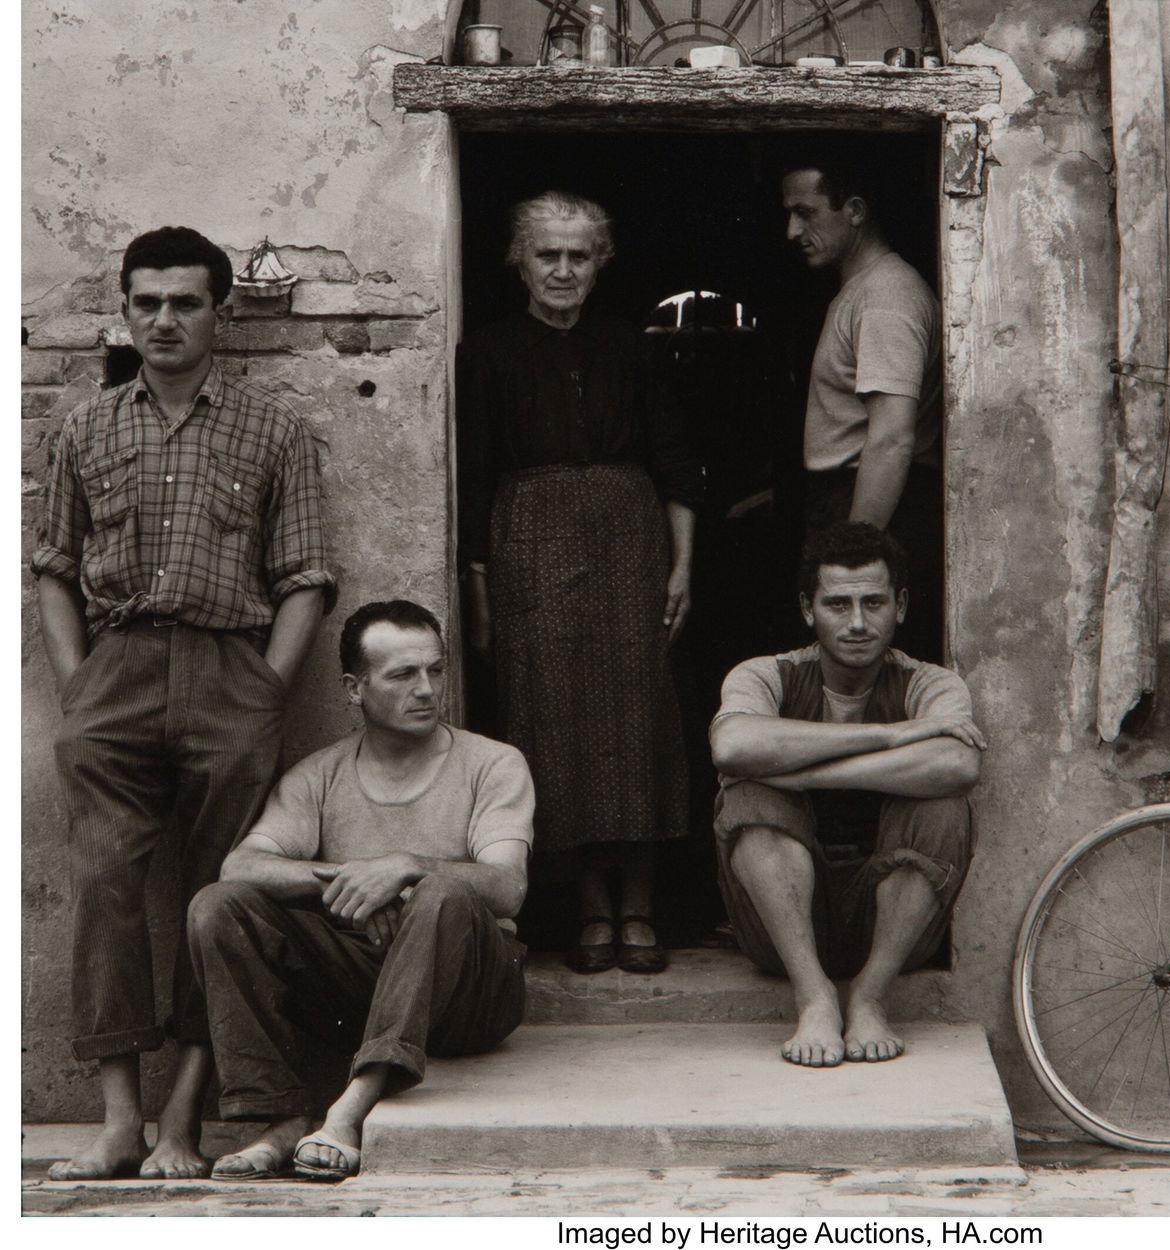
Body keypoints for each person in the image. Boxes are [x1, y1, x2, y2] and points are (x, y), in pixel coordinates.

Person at [31, 226, 335, 1180]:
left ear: (220, 313)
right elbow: (53, 568)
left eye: (185, 303)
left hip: (228, 673)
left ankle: (181, 1122)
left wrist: (264, 690)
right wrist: (79, 688)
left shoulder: (273, 430)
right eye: (147, 303)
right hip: (114, 674)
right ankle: (119, 1121)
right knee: (106, 891)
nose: (164, 320)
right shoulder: (84, 429)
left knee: (219, 900)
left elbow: (306, 576)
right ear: (125, 310)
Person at [187, 600, 532, 1181]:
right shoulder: (319, 774)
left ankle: (352, 1107)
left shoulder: (493, 763)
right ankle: (281, 1117)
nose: (426, 690)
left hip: (472, 992)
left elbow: (508, 886)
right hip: (364, 980)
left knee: (442, 891)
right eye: (403, 675)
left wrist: (405, 867)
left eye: (436, 670)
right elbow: (240, 866)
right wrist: (357, 880)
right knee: (216, 907)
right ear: (354, 688)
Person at [456, 191, 701, 976]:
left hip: (631, 544)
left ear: (600, 264)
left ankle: (641, 903)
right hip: (529, 545)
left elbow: (675, 459)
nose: (563, 270)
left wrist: (682, 565)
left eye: (579, 256)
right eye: (547, 254)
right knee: (555, 719)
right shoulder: (485, 351)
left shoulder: (633, 346)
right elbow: (474, 474)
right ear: (518, 261)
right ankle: (592, 906)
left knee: (637, 716)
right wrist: (480, 588)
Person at [709, 522, 985, 1067]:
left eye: (873, 603)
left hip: (893, 927)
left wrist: (804, 774)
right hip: (780, 929)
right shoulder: (767, 674)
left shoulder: (929, 683)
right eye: (837, 604)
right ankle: (813, 996)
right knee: (749, 798)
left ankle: (869, 997)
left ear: (900, 606)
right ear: (808, 610)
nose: (857, 623)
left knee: (942, 806)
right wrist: (890, 735)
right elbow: (734, 746)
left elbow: (958, 764)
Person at [781, 153, 943, 659]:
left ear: (853, 210)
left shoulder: (885, 298)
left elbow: (892, 438)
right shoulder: (864, 291)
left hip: (873, 504)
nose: (792, 231)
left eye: (805, 213)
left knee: (863, 668)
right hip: (856, 501)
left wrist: (856, 554)